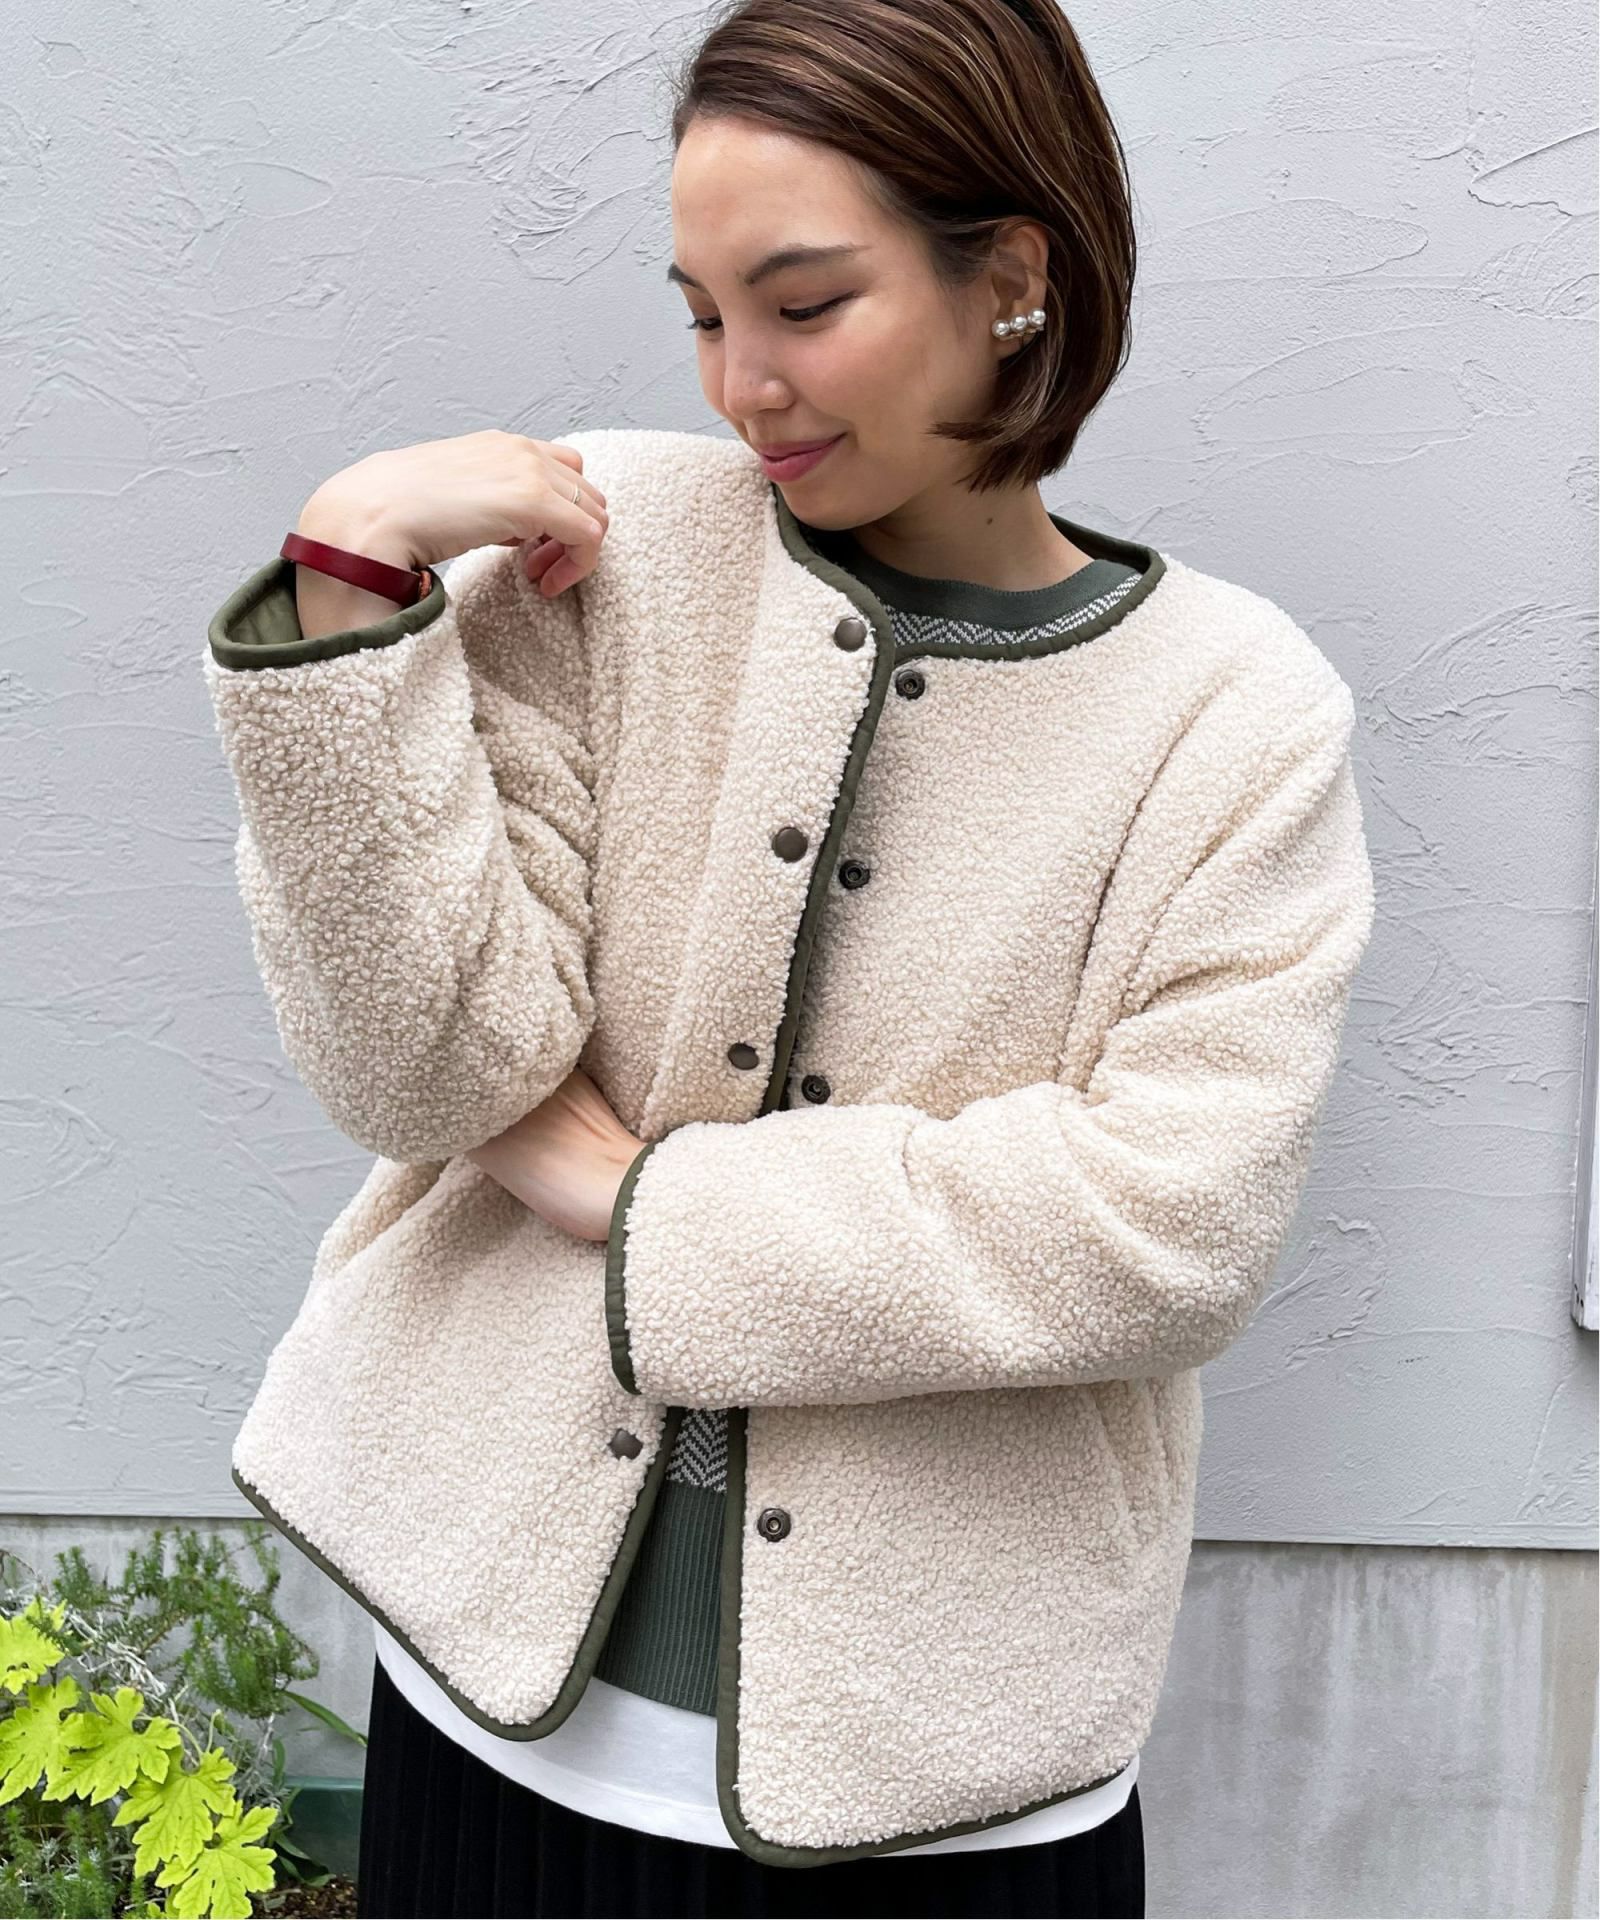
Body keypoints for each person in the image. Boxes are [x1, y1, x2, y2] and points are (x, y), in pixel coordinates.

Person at [201, 0, 1375, 1914]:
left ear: (1015, 278)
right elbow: (428, 1071)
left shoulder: (1232, 714)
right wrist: (345, 581)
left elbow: (1168, 1224)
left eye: (807, 304)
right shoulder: (607, 561)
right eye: (701, 312)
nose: (742, 384)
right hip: (488, 1719)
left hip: (949, 1783)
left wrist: (632, 1199)